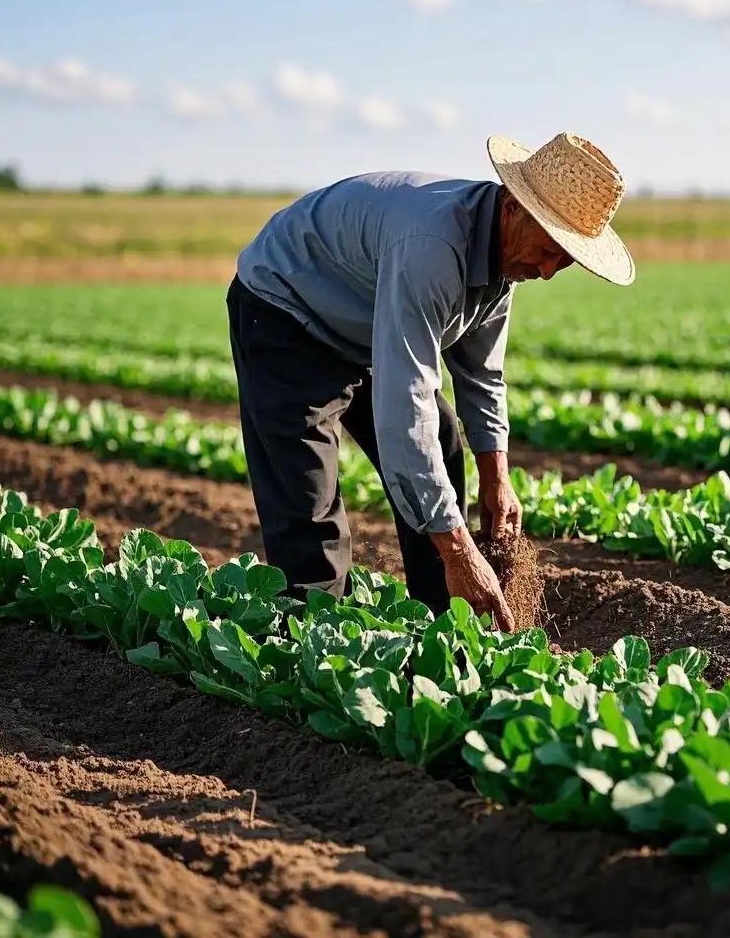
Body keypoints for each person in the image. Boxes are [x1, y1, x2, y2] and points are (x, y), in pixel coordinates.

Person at [227, 131, 635, 631]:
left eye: (564, 261)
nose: (548, 273)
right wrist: (460, 549)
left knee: (442, 440)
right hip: (286, 309)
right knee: (309, 501)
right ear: (512, 207)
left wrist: (497, 477)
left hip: (365, 319)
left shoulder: (505, 259)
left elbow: (482, 374)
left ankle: (442, 623)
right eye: (548, 251)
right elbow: (405, 404)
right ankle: (314, 649)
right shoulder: (432, 247)